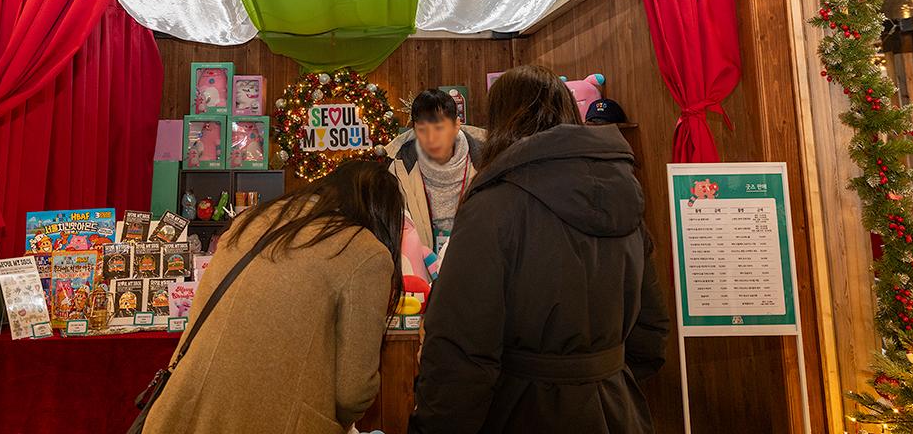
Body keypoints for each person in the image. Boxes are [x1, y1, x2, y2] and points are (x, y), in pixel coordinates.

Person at [411, 65, 669, 434]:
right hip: (616, 410)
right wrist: (598, 374)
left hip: (522, 410)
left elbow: (461, 352)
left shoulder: (492, 208)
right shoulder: (624, 199)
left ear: (500, 122)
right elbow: (651, 332)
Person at [142, 160, 404, 434]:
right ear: (382, 215)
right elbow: (352, 392)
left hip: (180, 413)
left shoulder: (252, 220)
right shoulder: (365, 251)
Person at [386, 89, 485, 253]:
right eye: (422, 130)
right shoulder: (400, 167)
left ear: (456, 125)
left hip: (476, 259)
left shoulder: (485, 161)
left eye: (439, 128)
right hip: (422, 265)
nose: (431, 139)